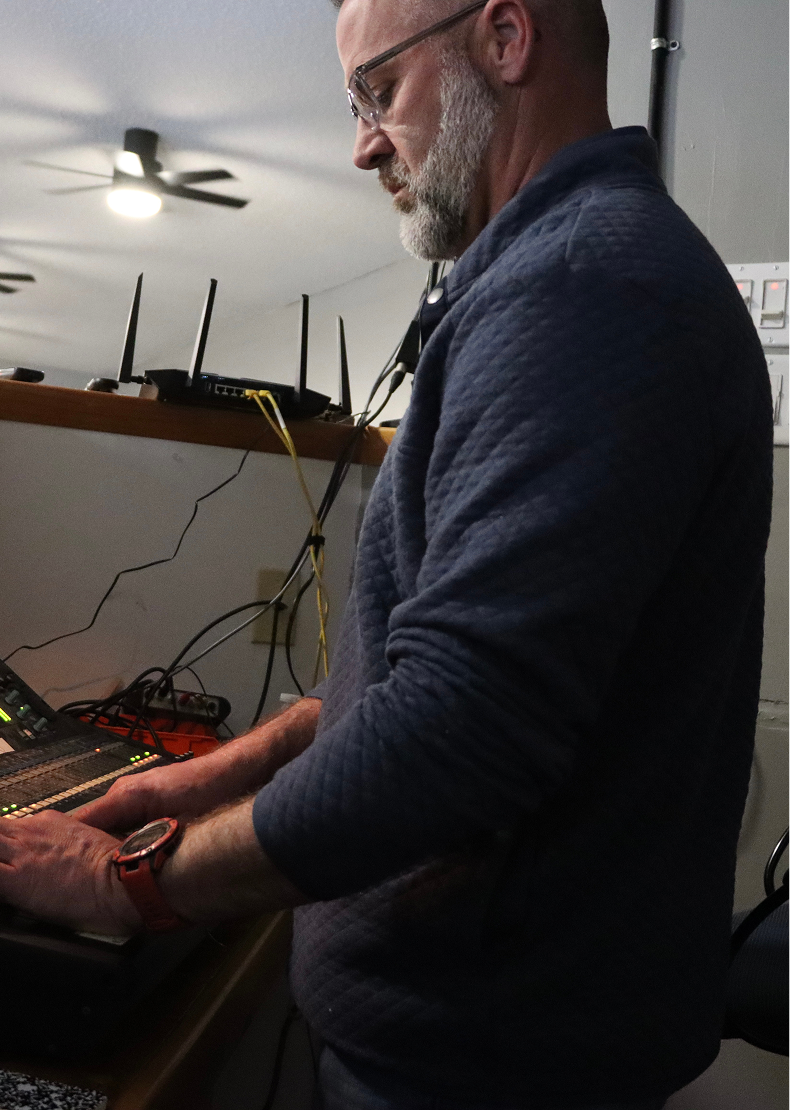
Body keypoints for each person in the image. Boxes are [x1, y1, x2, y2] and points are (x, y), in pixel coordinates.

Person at [0, 1, 773, 1108]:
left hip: (486, 1065)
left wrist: (127, 885)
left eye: (379, 92)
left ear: (505, 39)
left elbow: (459, 727)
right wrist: (191, 781)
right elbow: (403, 678)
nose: (362, 145)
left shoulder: (580, 289)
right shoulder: (569, 271)